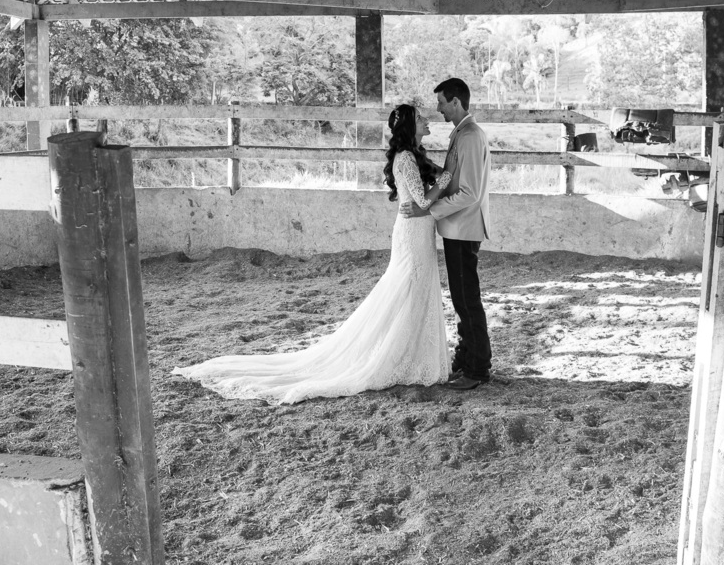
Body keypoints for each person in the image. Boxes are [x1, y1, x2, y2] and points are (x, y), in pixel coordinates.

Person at [172, 104, 452, 404]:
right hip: (412, 232)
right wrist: (446, 179)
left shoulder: (415, 156)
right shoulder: (406, 158)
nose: (426, 120)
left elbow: (435, 181)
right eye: (420, 118)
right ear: (410, 126)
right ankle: (399, 356)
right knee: (407, 289)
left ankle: (413, 354)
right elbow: (423, 201)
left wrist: (445, 172)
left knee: (414, 290)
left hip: (419, 231)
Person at [400, 77, 492, 391]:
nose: (438, 109)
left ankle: (477, 369)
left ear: (455, 101)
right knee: (461, 299)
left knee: (467, 300)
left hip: (463, 228)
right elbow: (454, 179)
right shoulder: (462, 134)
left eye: (441, 102)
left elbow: (470, 193)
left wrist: (429, 210)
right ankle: (465, 360)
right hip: (458, 227)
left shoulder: (469, 136)